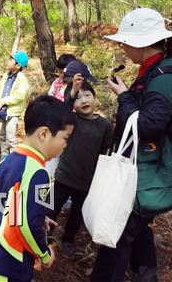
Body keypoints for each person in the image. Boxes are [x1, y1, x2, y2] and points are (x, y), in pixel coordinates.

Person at [90, 8, 172, 281]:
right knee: (138, 230)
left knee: (118, 235)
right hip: (146, 169)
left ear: (142, 43)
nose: (122, 46)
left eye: (125, 41)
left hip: (149, 172)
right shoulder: (156, 71)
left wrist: (124, 96)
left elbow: (147, 126)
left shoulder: (164, 79)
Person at [0, 95, 76, 282]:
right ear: (44, 134)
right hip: (11, 259)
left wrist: (40, 213)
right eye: (65, 138)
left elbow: (0, 198)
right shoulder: (40, 174)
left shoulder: (8, 161)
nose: (65, 146)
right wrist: (44, 254)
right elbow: (26, 224)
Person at [49, 77, 112, 258]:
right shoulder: (72, 120)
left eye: (87, 95)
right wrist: (73, 91)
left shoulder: (105, 125)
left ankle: (68, 239)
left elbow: (105, 152)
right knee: (52, 207)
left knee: (77, 214)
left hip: (87, 181)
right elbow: (62, 109)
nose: (84, 100)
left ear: (95, 97)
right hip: (64, 176)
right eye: (78, 97)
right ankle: (44, 235)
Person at [0, 51, 30, 161]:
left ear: (18, 65)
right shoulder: (5, 76)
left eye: (11, 60)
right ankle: (4, 155)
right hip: (2, 110)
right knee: (2, 134)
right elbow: (0, 89)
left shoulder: (22, 79)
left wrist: (4, 101)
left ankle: (13, 158)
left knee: (10, 137)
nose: (8, 61)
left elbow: (19, 96)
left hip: (12, 112)